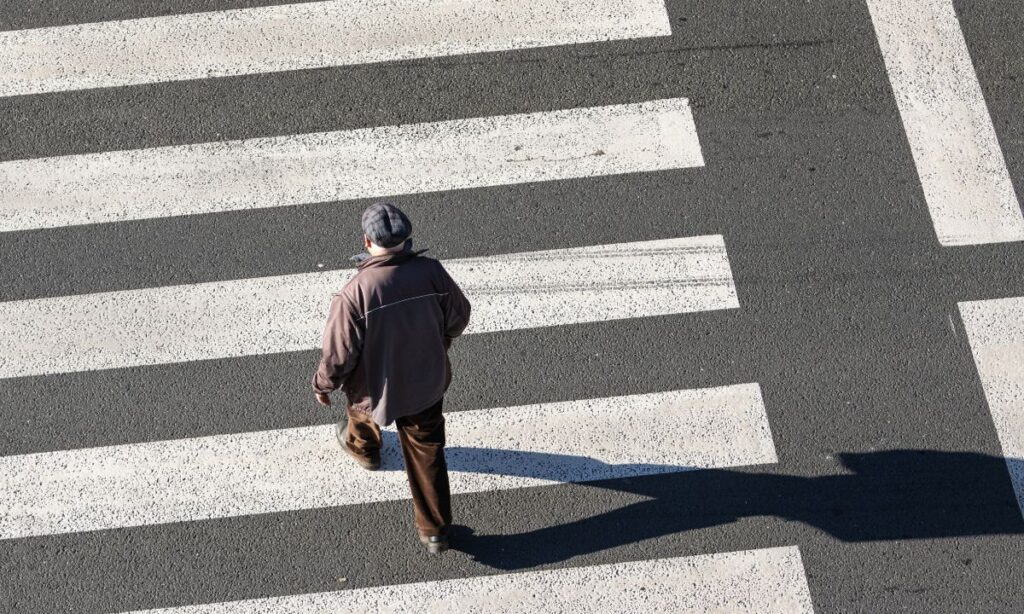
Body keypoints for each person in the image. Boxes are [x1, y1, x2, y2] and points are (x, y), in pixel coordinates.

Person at [312, 202, 471, 554]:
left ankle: (365, 448)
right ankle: (434, 531)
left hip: (373, 387)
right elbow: (459, 317)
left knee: (361, 413)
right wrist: (439, 342)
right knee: (427, 449)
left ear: (367, 241)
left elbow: (338, 355)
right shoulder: (432, 272)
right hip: (425, 383)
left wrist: (323, 384)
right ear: (406, 238)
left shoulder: (354, 293)